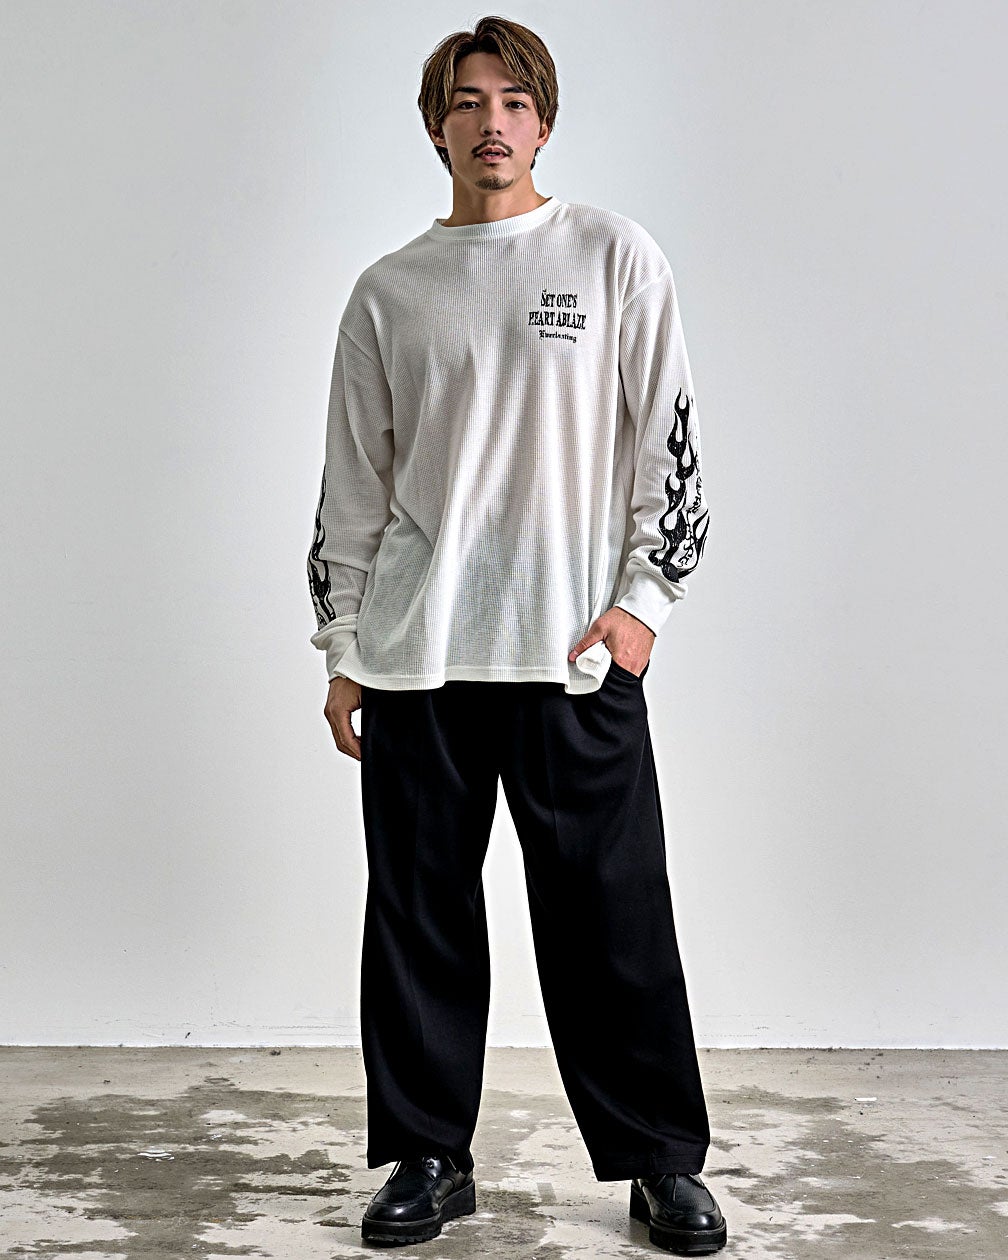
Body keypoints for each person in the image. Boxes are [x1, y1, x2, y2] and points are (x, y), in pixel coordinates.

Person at [307, 15, 726, 1255]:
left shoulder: (610, 257)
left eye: (514, 102)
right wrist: (341, 648)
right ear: (435, 125)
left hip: (572, 654)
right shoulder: (388, 291)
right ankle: (428, 1156)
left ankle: (659, 1161)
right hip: (417, 658)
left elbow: (672, 448)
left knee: (613, 918)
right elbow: (352, 490)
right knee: (418, 919)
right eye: (467, 101)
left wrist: (643, 610)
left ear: (544, 122)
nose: (491, 122)